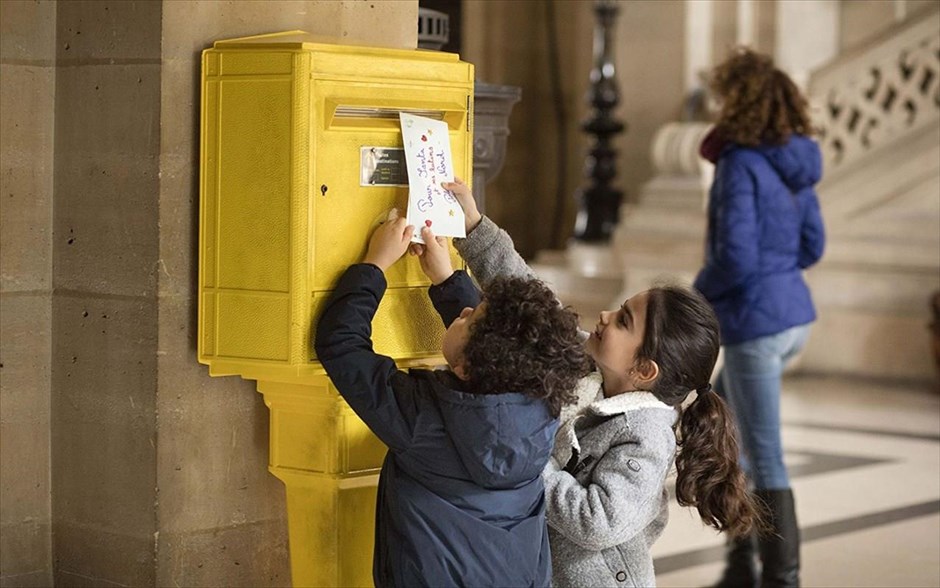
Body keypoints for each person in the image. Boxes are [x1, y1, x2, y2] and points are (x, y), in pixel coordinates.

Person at [436, 178, 763, 588]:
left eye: (624, 320)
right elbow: (529, 296)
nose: (606, 315)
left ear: (645, 371)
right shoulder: (586, 363)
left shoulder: (646, 437)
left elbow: (596, 521)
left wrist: (530, 455)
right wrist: (473, 224)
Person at [313, 211, 590, 587]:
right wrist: (446, 279)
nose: (463, 310)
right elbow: (497, 353)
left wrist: (374, 265)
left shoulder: (421, 420)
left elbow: (341, 346)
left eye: (471, 316)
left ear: (470, 366)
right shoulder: (540, 411)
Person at [694, 47, 826, 588]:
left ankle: (780, 578)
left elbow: (736, 258)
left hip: (757, 327)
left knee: (764, 456)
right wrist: (776, 273)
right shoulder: (792, 160)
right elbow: (813, 244)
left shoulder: (740, 162)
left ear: (736, 101)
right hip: (793, 318)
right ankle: (738, 566)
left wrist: (696, 301)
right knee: (732, 437)